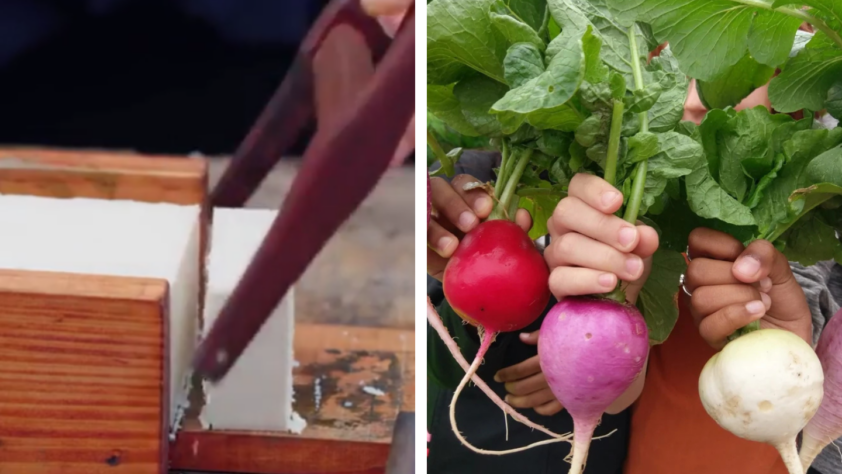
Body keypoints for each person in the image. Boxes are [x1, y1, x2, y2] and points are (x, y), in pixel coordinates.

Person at [427, 41, 841, 474]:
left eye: (735, 68)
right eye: (672, 63)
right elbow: (447, 365)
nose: (697, 100)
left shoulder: (809, 238)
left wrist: (804, 351)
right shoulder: (509, 188)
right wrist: (504, 312)